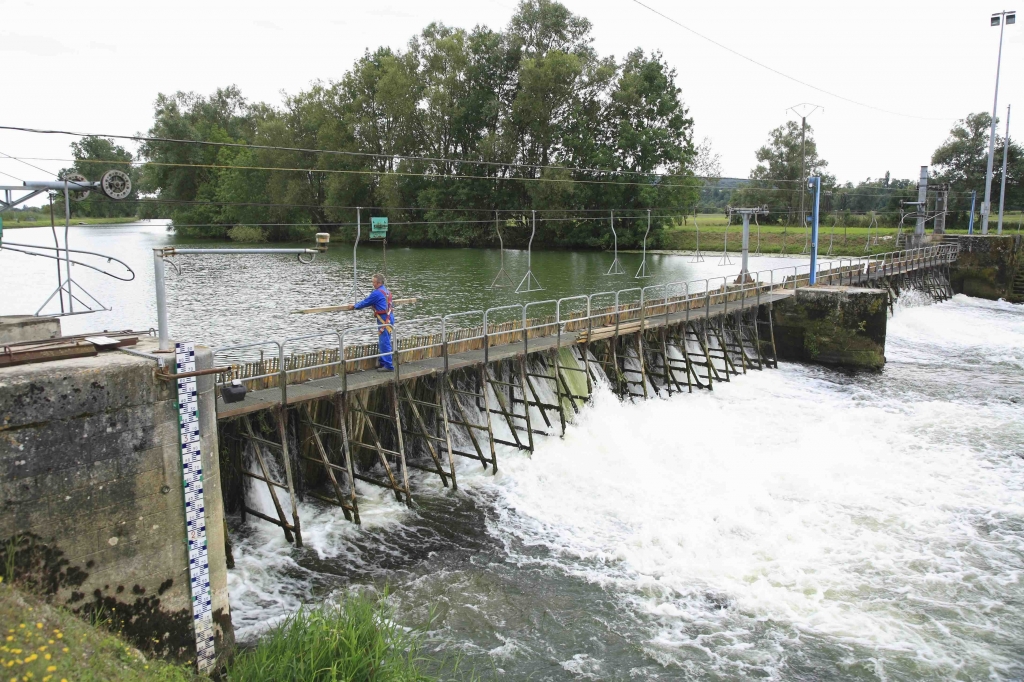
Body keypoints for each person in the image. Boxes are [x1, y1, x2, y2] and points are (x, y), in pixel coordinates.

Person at [353, 273, 394, 371]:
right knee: (384, 340)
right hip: (389, 318)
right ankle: (383, 362)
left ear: (379, 283)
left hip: (384, 320)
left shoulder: (377, 293)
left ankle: (388, 366)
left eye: (374, 282)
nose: (373, 284)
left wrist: (355, 306)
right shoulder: (387, 291)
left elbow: (366, 302)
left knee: (384, 342)